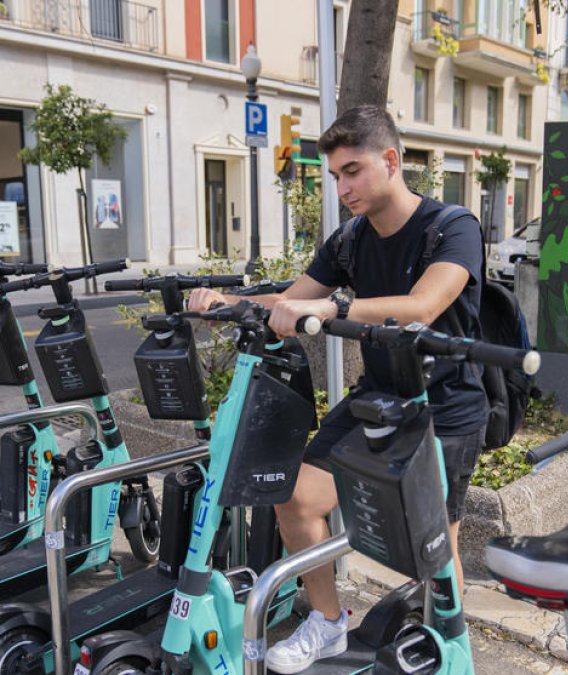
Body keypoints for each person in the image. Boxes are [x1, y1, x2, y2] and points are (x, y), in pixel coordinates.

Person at [188, 105, 487, 674]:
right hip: (379, 394)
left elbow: (423, 306)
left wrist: (333, 307)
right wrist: (227, 303)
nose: (343, 187)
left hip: (444, 408)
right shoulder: (349, 240)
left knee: (434, 553)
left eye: (352, 171)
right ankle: (326, 622)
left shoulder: (452, 227)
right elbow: (294, 297)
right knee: (296, 495)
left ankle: (449, 649)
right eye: (335, 177)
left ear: (391, 161)